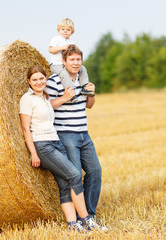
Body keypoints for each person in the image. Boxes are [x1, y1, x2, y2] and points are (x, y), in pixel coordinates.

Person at [19, 65, 99, 232]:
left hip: (56, 142)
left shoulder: (45, 97)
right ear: (28, 81)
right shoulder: (27, 99)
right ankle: (86, 219)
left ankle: (72, 225)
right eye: (35, 79)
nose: (39, 82)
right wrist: (34, 153)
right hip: (43, 145)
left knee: (64, 185)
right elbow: (26, 129)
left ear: (45, 79)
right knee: (75, 174)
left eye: (41, 78)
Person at [45, 45, 105, 230]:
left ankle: (89, 215)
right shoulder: (53, 81)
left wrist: (91, 94)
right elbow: (45, 107)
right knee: (75, 176)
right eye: (71, 59)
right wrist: (64, 97)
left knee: (95, 171)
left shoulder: (82, 79)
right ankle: (81, 218)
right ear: (64, 62)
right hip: (66, 134)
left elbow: (90, 106)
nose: (75, 62)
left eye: (78, 59)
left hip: (84, 134)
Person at [48, 18, 94, 103]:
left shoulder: (71, 41)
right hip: (56, 65)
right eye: (63, 29)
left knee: (83, 69)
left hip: (66, 65)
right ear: (58, 30)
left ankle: (84, 86)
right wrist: (63, 47)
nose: (65, 31)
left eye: (68, 30)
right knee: (64, 74)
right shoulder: (56, 39)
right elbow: (51, 50)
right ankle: (71, 94)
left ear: (72, 32)